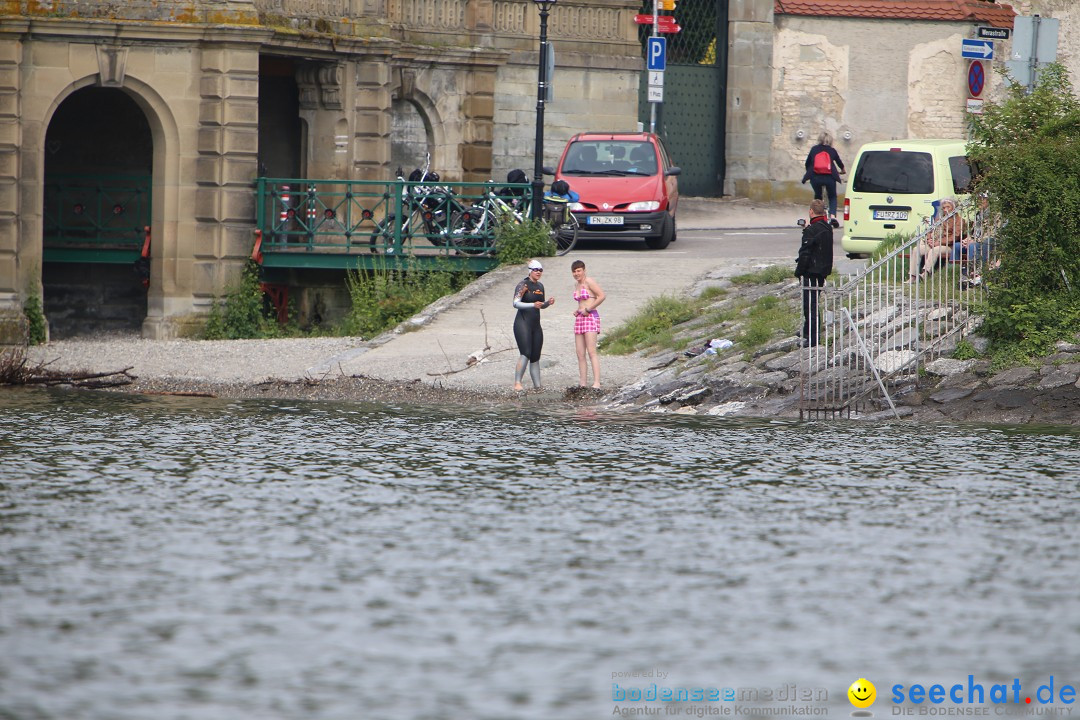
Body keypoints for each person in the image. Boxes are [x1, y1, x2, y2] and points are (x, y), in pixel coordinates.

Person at [795, 198, 833, 347]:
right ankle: (807, 330)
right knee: (813, 302)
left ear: (811, 211)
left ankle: (812, 338)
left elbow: (805, 253)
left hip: (811, 271)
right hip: (822, 271)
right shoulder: (826, 227)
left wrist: (799, 271)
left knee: (809, 306)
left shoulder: (811, 230)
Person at [513, 259, 554, 391]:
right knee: (526, 352)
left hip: (536, 325)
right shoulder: (523, 285)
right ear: (530, 271)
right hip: (522, 323)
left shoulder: (540, 286)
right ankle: (517, 383)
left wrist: (548, 303)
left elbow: (540, 305)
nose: (538, 272)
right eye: (536, 270)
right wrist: (532, 305)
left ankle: (538, 386)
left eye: (541, 270)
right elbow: (515, 303)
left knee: (536, 355)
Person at [908, 196, 963, 282]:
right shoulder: (939, 219)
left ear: (954, 207)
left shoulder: (959, 220)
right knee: (917, 249)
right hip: (933, 243)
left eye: (948, 207)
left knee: (935, 250)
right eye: (944, 208)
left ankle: (925, 274)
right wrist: (929, 239)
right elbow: (930, 231)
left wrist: (939, 242)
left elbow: (955, 236)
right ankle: (912, 276)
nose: (945, 210)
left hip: (948, 246)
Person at [571, 259, 605, 388]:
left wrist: (588, 309)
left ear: (584, 270)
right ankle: (583, 383)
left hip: (591, 317)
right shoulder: (577, 285)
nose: (576, 273)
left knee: (591, 351)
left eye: (579, 271)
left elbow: (601, 296)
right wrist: (578, 310)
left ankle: (596, 382)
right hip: (580, 318)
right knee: (580, 352)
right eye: (574, 271)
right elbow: (582, 302)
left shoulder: (589, 281)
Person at [802, 132, 846, 228]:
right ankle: (833, 217)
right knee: (832, 197)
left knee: (818, 197)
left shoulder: (814, 149)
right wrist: (842, 170)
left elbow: (807, 163)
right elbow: (840, 163)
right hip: (829, 178)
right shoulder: (832, 151)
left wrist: (809, 171)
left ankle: (815, 217)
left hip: (815, 177)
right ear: (830, 141)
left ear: (819, 140)